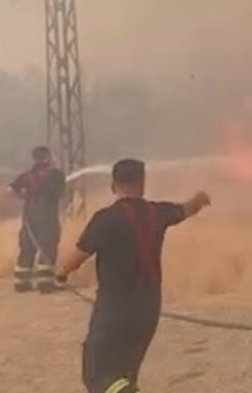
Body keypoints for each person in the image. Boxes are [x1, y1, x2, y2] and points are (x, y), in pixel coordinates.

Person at [55, 158, 211, 393]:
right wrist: (200, 198)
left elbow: (75, 259)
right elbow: (186, 209)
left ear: (113, 185)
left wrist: (60, 272)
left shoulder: (105, 218)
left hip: (115, 310)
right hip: (149, 308)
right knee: (124, 374)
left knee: (97, 374)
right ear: (142, 183)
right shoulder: (158, 213)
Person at [9, 145, 67, 293]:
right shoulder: (55, 174)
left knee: (27, 248)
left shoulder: (26, 175)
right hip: (47, 216)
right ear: (47, 157)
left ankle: (21, 282)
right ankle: (45, 283)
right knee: (48, 248)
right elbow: (61, 192)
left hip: (28, 218)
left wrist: (23, 196)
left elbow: (11, 190)